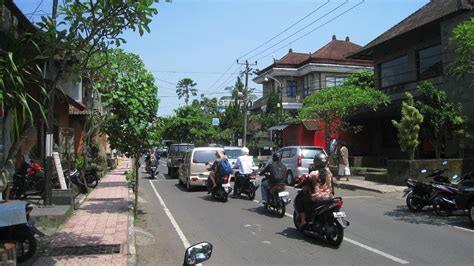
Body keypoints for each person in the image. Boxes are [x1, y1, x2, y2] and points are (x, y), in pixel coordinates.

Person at [294, 152, 333, 228]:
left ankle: (303, 220)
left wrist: (297, 185)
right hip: (329, 195)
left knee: (299, 200)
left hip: (317, 196)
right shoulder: (329, 172)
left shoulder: (314, 173)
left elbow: (304, 182)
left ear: (316, 162)